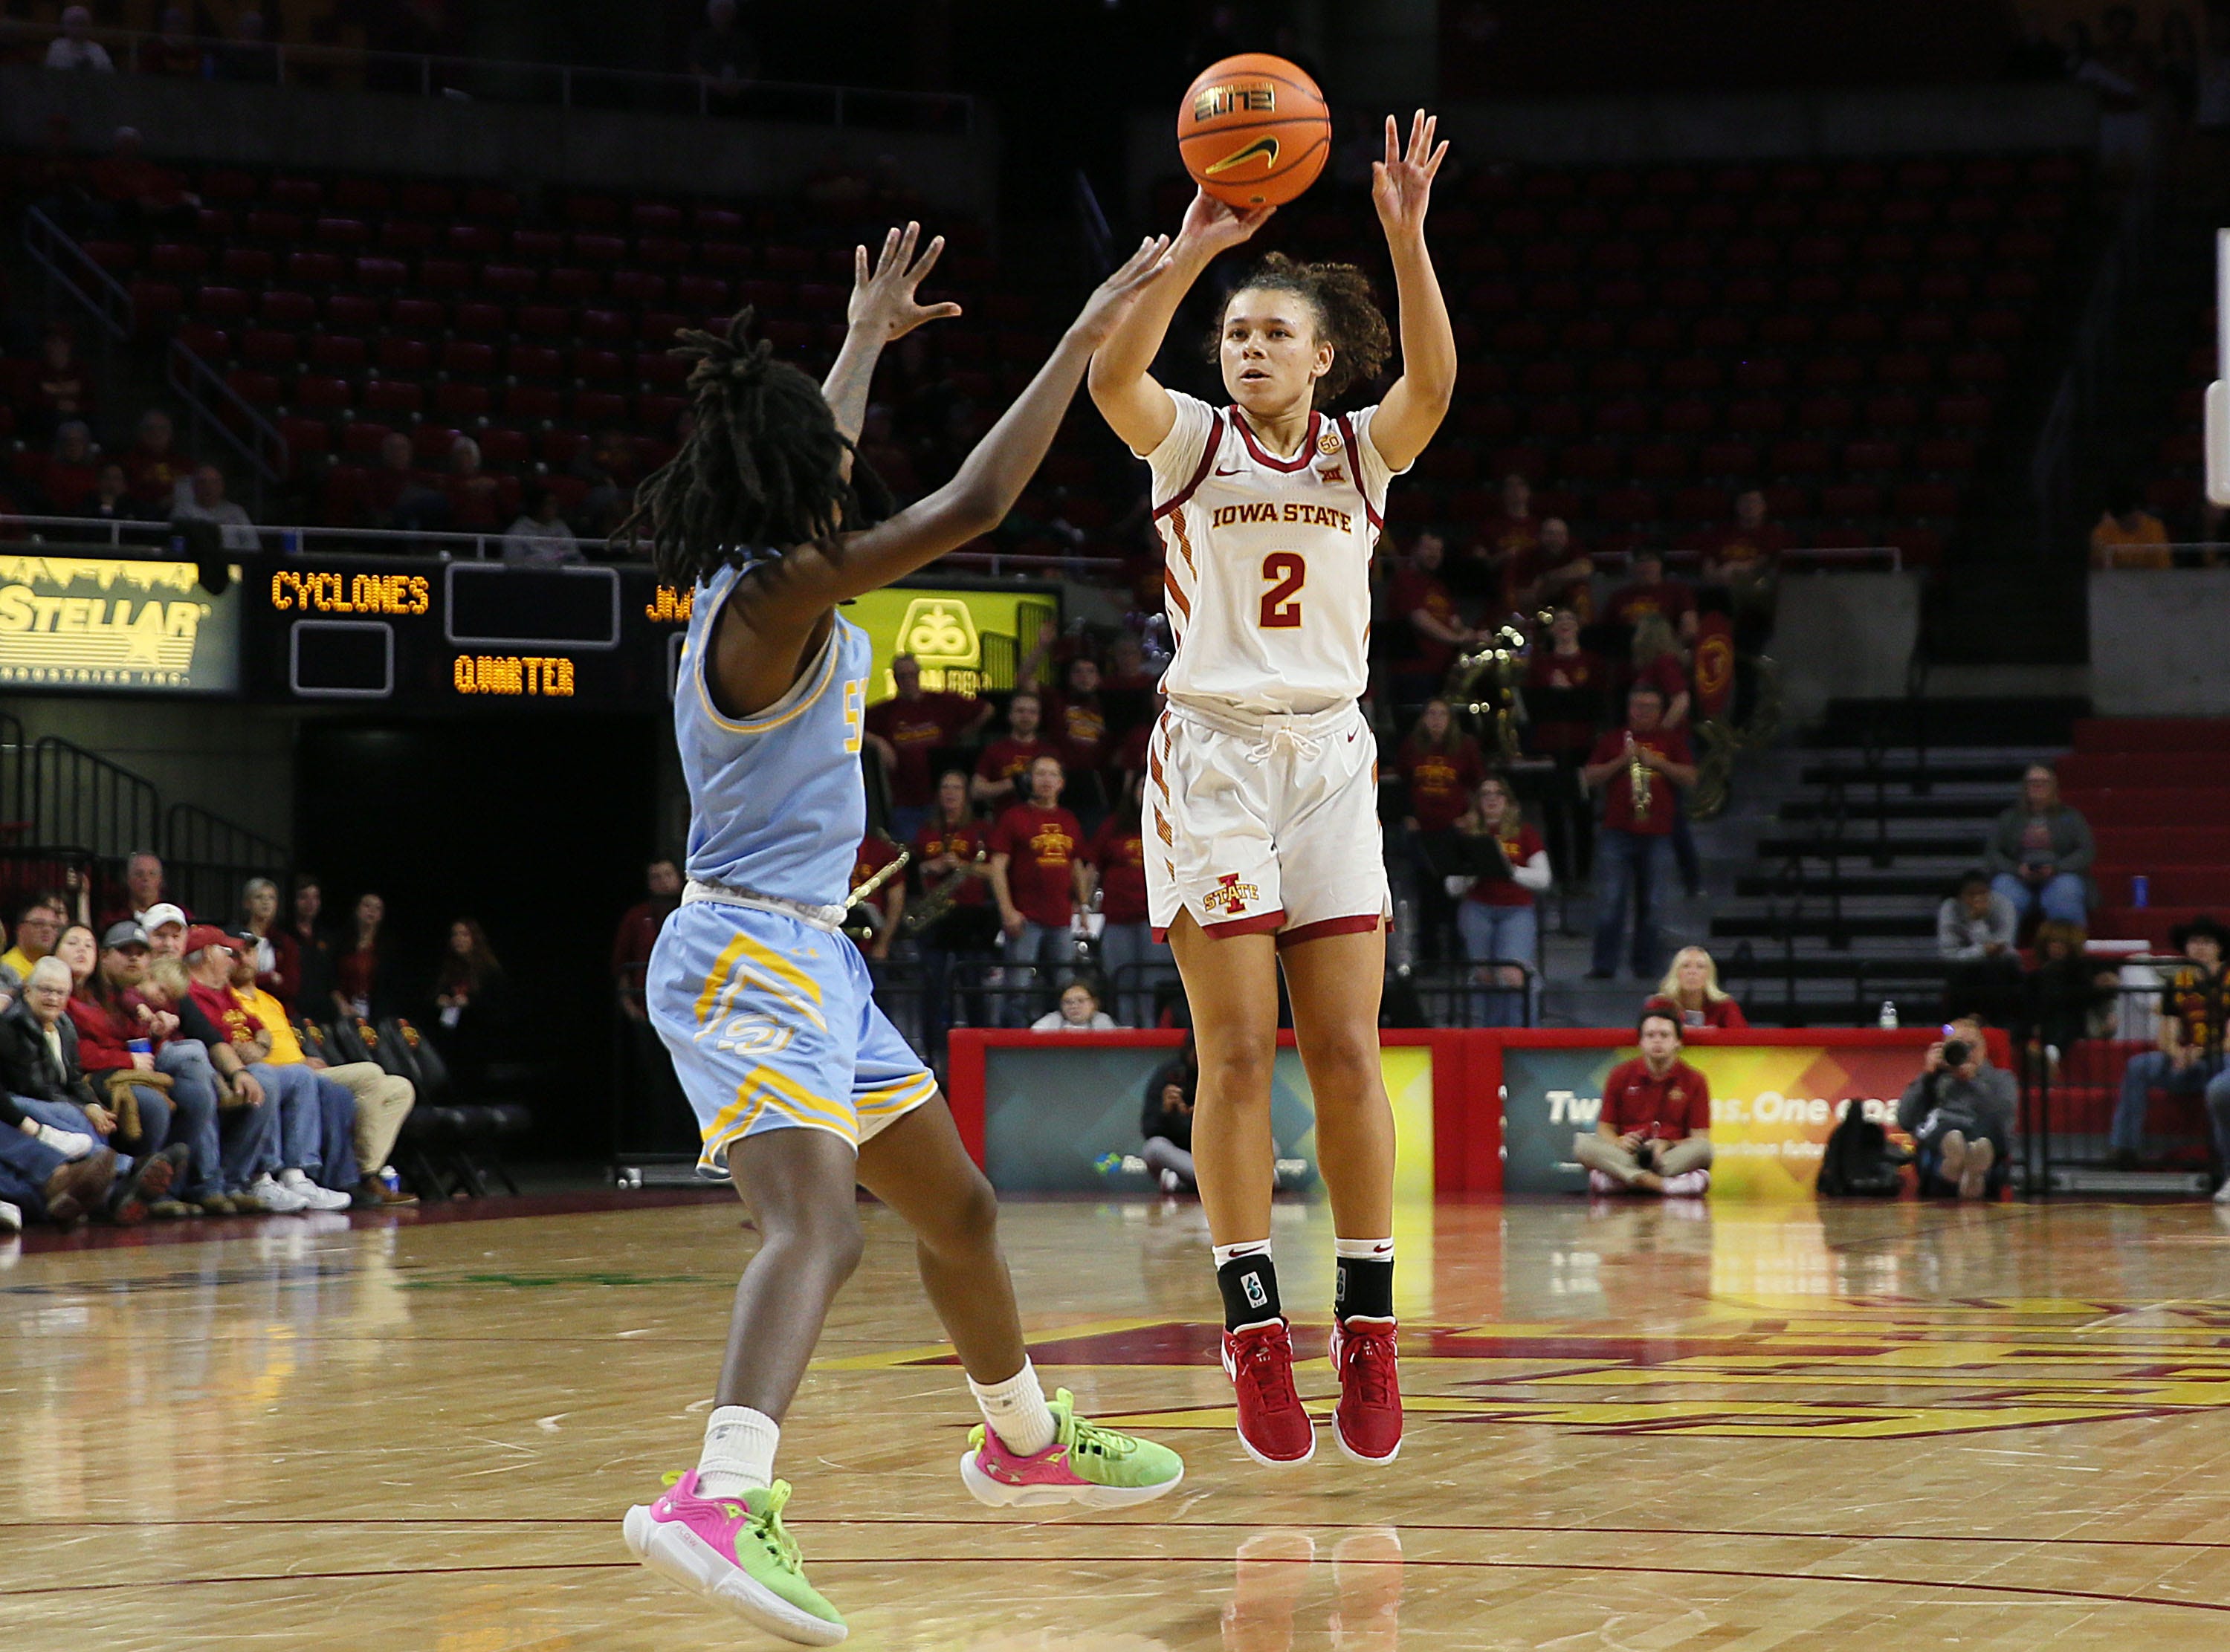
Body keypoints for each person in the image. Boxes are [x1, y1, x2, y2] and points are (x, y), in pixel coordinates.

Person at [615, 223, 1186, 1639]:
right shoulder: (772, 595)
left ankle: (1022, 1439)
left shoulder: (769, 564)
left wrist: (863, 335)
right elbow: (978, 499)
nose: (844, 459)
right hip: (745, 950)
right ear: (798, 483)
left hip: (817, 954)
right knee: (816, 1228)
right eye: (827, 453)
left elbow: (824, 445)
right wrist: (1088, 332)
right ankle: (717, 1490)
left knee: (960, 1209)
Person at [1086, 111, 1456, 1468]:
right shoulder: (1185, 443)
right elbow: (1113, 372)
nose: (1247, 349)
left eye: (1270, 332)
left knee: (1351, 1051)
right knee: (1236, 1050)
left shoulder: (1363, 451)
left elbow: (1435, 385)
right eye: (1235, 332)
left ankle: (1366, 1323)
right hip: (1216, 759)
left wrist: (1409, 243)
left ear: (1322, 354)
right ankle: (1252, 1326)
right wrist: (1190, 251)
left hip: (1332, 762)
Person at [71, 920, 275, 1217]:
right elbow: (83, 1052)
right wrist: (136, 1051)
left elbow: (212, 1038)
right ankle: (162, 1188)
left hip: (151, 1071)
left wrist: (238, 1072)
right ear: (105, 956)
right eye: (124, 951)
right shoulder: (102, 995)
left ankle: (220, 1184)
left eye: (140, 953)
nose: (133, 958)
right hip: (104, 1077)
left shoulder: (148, 996)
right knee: (177, 1077)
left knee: (249, 1079)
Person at [174, 936, 358, 1211]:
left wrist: (259, 1044)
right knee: (265, 1075)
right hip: (220, 1070)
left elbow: (258, 1027)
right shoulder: (191, 992)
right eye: (227, 953)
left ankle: (296, 1174)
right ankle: (261, 1176)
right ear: (207, 956)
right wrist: (242, 1052)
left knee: (300, 1076)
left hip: (250, 1061)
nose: (233, 961)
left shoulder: (223, 991)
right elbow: (213, 1040)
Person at [229, 942, 416, 1208]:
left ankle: (366, 1172)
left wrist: (304, 1059)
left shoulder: (271, 1000)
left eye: (248, 952)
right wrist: (298, 1066)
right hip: (283, 1078)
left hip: (305, 1071)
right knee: (371, 1072)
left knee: (398, 1088)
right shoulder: (230, 1001)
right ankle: (347, 1176)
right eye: (234, 954)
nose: (243, 959)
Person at [1581, 684, 1697, 980]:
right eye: (1636, 707)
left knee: (1654, 904)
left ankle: (1645, 966)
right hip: (1617, 831)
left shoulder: (1671, 740)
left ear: (1660, 712)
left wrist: (1657, 762)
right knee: (1610, 901)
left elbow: (1691, 778)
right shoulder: (1613, 739)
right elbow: (1590, 777)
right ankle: (1604, 965)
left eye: (1648, 708)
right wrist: (1622, 760)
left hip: (1657, 831)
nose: (1641, 713)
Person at [2113, 915, 2229, 1169]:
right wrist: (2179, 1053)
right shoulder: (2178, 982)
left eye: (2207, 942)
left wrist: (2200, 1053)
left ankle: (2222, 1159)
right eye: (2194, 942)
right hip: (2190, 1061)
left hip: (2222, 1058)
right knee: (2139, 1066)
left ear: (2220, 947)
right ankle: (2124, 1149)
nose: (2199, 947)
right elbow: (2166, 1034)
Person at [988, 755, 1089, 1026]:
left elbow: (1076, 864)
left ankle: (1063, 1041)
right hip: (1025, 918)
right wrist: (1007, 910)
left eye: (1052, 775)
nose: (1046, 781)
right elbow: (997, 868)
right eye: (1040, 774)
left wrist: (1083, 905)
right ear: (1029, 780)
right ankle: (1013, 1043)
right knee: (1017, 988)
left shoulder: (1069, 819)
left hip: (1061, 918)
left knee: (1064, 988)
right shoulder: (1014, 817)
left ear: (1061, 783)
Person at [1577, 1011, 1714, 1195]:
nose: (1657, 1041)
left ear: (1678, 1042)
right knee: (1583, 1145)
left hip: (1667, 1158)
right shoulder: (1620, 1074)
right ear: (1641, 1042)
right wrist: (1620, 1142)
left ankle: (1620, 1180)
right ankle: (1664, 1185)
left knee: (1704, 1150)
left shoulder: (1695, 1079)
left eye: (1664, 1035)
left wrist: (1667, 1145)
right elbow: (1604, 1129)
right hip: (1628, 1154)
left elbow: (1700, 1138)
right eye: (1650, 1035)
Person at [1451, 775, 1548, 1027]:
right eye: (1485, 794)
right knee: (1484, 975)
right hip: (1478, 909)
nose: (1492, 799)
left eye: (1498, 794)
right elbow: (1451, 886)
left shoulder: (1525, 833)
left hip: (1516, 909)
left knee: (1513, 974)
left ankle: (1522, 1035)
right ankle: (1487, 1037)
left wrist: (1510, 869)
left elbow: (1544, 878)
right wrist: (1473, 870)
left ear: (1508, 801)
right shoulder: (1468, 835)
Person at [910, 770, 998, 1046]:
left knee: (973, 986)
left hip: (969, 915)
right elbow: (913, 874)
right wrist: (928, 866)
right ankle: (932, 1050)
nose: (950, 793)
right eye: (945, 787)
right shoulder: (926, 831)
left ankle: (978, 1046)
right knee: (932, 987)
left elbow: (993, 871)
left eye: (957, 788)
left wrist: (962, 865)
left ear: (966, 795)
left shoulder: (980, 829)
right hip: (935, 918)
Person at [864, 652, 991, 841]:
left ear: (919, 674)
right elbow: (851, 725)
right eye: (902, 676)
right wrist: (877, 742)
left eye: (911, 674)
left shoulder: (941, 702)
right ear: (895, 679)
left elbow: (987, 710)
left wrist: (963, 734)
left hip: (944, 800)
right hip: (906, 801)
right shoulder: (885, 711)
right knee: (910, 852)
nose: (908, 680)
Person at [1898, 1016, 2016, 1199]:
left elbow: (2004, 1120)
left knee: (1986, 1134)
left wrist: (1973, 1080)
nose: (1966, 1052)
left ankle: (1971, 1168)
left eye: (1972, 1046)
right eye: (1958, 1046)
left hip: (1983, 1134)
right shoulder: (1935, 1078)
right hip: (1943, 1134)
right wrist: (1927, 1076)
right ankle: (1958, 1165)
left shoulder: (2001, 1078)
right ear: (1945, 1049)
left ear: (1984, 1050)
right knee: (1947, 1130)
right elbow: (1904, 1119)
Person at [613, 858, 688, 1144]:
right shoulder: (637, 917)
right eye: (655, 876)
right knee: (656, 1085)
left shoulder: (692, 913)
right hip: (647, 1014)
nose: (662, 881)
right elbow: (622, 964)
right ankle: (661, 1146)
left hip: (689, 1016)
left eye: (667, 874)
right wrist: (630, 1008)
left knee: (690, 1081)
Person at [1085, 775, 1166, 1029]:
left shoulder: (1169, 823)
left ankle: (1152, 1033)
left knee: (1152, 983)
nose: (1145, 791)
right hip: (1118, 918)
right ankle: (1125, 1031)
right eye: (1141, 786)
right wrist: (1083, 906)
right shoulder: (1113, 826)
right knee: (1122, 981)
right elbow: (1092, 868)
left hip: (1155, 918)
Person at [1983, 764, 2093, 930]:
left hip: (2059, 874)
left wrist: (2056, 868)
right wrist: (2016, 869)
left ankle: (2069, 950)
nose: (2038, 786)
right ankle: (2000, 950)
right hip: (2017, 875)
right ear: (2025, 787)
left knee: (2066, 891)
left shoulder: (2071, 817)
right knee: (2004, 890)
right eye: (2033, 782)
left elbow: (2086, 852)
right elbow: (1993, 853)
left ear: (2053, 787)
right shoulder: (2008, 818)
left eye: (2044, 782)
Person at [1938, 869, 2022, 1024]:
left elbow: (2004, 945)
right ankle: (1957, 1026)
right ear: (1960, 896)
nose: (1978, 899)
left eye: (1983, 893)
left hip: (2000, 966)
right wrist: (1981, 949)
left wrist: (1979, 923)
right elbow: (1949, 953)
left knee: (1998, 970)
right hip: (1963, 969)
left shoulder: (2003, 904)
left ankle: (2001, 1027)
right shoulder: (1950, 908)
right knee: (1965, 972)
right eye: (1971, 894)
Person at [433, 918, 506, 1089]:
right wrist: (440, 1000)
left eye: (464, 934)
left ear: (474, 938)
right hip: (452, 1037)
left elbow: (497, 1006)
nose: (459, 939)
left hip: (480, 1038)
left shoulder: (489, 970)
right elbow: (432, 996)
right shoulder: (448, 968)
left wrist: (470, 1003)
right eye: (455, 935)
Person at [969, 689, 1055, 812]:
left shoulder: (1050, 753)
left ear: (1039, 717)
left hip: (1042, 822)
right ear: (1010, 715)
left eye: (1032, 712)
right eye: (1020, 711)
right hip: (1004, 822)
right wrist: (1011, 784)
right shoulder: (994, 750)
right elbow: (975, 791)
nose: (1026, 717)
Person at [1140, 1032, 1200, 1193]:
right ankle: (1206, 1182)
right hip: (1180, 1154)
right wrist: (1167, 1112)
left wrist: (1204, 1117)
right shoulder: (1168, 1075)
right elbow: (1149, 1131)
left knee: (1270, 1145)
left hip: (1219, 1156)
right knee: (1154, 1148)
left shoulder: (1222, 1075)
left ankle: (1185, 1182)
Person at [1643, 945, 1748, 1030]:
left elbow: (1743, 1039)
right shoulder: (1659, 1005)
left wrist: (1715, 1035)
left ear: (1709, 975)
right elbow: (1647, 1039)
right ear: (1676, 973)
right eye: (1685, 966)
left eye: (1700, 967)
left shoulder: (1725, 1005)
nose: (1692, 972)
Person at [1604, 549, 1697, 642]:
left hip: (1666, 649)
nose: (1647, 565)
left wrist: (1671, 648)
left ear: (1661, 565)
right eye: (1641, 561)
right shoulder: (1618, 596)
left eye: (1651, 560)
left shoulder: (1678, 590)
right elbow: (1605, 632)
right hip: (1625, 650)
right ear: (1633, 567)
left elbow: (1690, 629)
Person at [170, 464, 258, 552]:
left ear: (222, 486)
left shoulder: (237, 512)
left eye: (214, 482)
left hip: (233, 561)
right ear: (194, 487)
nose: (208, 487)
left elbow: (252, 544)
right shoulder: (183, 512)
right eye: (202, 482)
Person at [2089, 481, 2172, 569]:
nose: (2135, 516)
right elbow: (2098, 570)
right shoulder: (2101, 531)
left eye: (2136, 510)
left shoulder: (2155, 528)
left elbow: (2163, 567)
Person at [502, 485, 583, 568]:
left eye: (555, 503)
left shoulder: (560, 526)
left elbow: (573, 553)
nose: (555, 507)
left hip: (562, 576)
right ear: (537, 506)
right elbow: (513, 563)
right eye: (550, 504)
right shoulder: (517, 531)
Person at [290, 876, 336, 1016]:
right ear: (295, 901)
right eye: (304, 897)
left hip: (322, 1011)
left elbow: (331, 978)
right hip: (294, 1009)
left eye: (315, 898)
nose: (310, 903)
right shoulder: (284, 935)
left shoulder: (326, 937)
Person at [334, 892, 384, 1020]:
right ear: (357, 909)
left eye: (377, 908)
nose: (372, 911)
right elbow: (330, 979)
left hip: (375, 1014)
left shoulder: (385, 948)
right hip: (343, 1010)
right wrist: (341, 1003)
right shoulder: (341, 943)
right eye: (367, 906)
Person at [239, 877, 288, 1002]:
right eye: (259, 897)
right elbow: (235, 978)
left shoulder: (285, 942)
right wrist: (269, 979)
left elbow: (289, 986)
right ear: (247, 903)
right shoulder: (237, 937)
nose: (266, 902)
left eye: (271, 898)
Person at [1, 897, 62, 981]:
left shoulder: (57, 966)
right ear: (20, 929)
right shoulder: (6, 970)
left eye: (53, 926)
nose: (47, 930)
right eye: (39, 924)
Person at [1032, 977, 1116, 1032]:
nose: (1074, 1006)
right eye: (1067, 1002)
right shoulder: (1052, 1021)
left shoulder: (1102, 1021)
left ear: (1094, 1004)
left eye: (1081, 1001)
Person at [44, 5, 113, 71]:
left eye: (82, 24)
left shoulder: (98, 50)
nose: (77, 28)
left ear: (89, 27)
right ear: (64, 26)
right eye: (72, 24)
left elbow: (108, 75)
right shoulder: (56, 47)